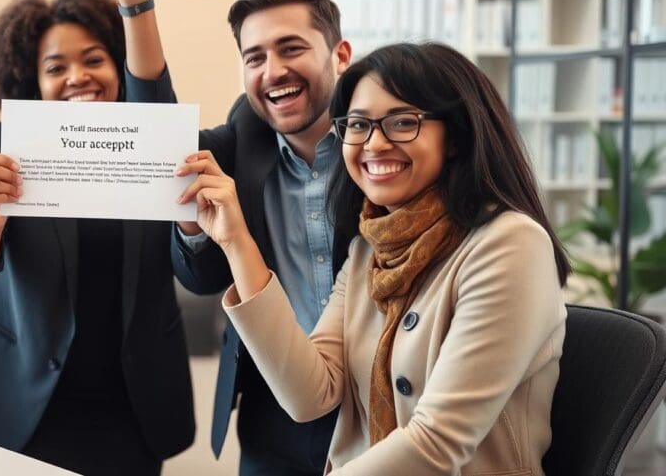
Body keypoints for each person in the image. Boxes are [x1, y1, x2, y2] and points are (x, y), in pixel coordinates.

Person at [177, 42, 570, 474]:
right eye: (359, 125)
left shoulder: (510, 244)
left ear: (455, 138)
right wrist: (235, 241)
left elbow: (437, 443)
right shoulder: (369, 248)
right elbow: (308, 396)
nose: (374, 143)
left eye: (402, 123)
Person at [0, 0, 194, 476]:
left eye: (95, 59)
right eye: (55, 68)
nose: (77, 77)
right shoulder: (0, 144)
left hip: (130, 409)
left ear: (120, 67)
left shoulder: (153, 143)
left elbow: (156, 101)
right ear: (31, 82)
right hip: (13, 406)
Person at [170, 0, 354, 475]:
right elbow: (201, 278)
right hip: (274, 414)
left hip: (376, 402)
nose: (273, 71)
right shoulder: (243, 139)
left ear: (340, 55)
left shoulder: (376, 148)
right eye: (254, 57)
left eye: (291, 48)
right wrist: (135, 1)